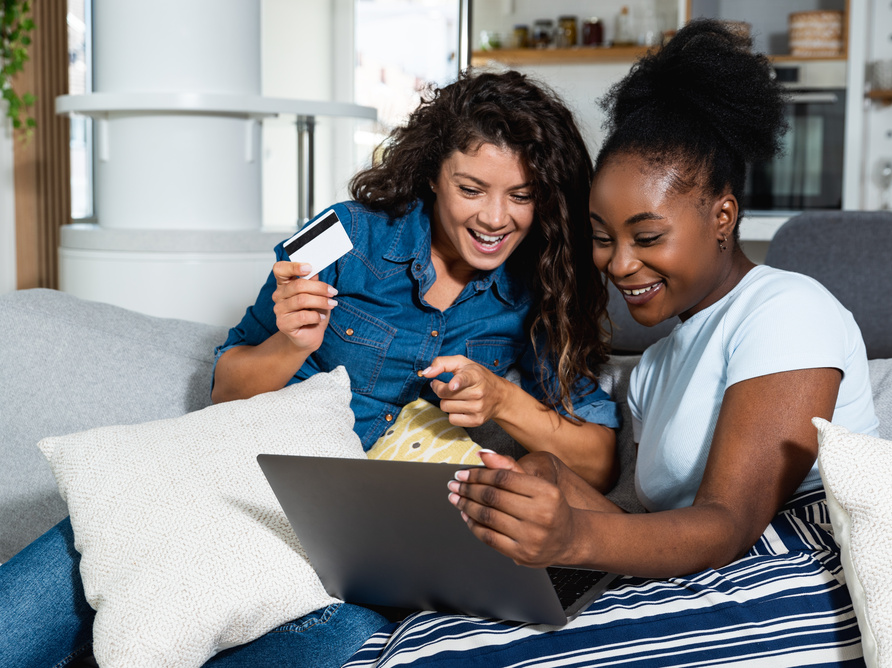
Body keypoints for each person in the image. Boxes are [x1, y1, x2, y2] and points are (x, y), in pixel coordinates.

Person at [0, 70, 620, 667]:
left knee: (351, 639)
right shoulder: (343, 233)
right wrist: (291, 344)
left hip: (356, 548)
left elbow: (596, 461)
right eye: (471, 188)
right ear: (434, 174)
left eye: (521, 196)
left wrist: (503, 401)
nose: (494, 218)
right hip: (243, 475)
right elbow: (225, 389)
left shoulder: (539, 288)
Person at [344, 19, 880, 667]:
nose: (620, 264)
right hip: (702, 573)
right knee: (420, 634)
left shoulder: (786, 309)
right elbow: (634, 528)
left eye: (647, 237)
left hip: (802, 573)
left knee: (449, 656)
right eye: (603, 236)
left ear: (722, 217)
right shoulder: (654, 366)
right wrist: (544, 484)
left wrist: (571, 534)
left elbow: (728, 524)